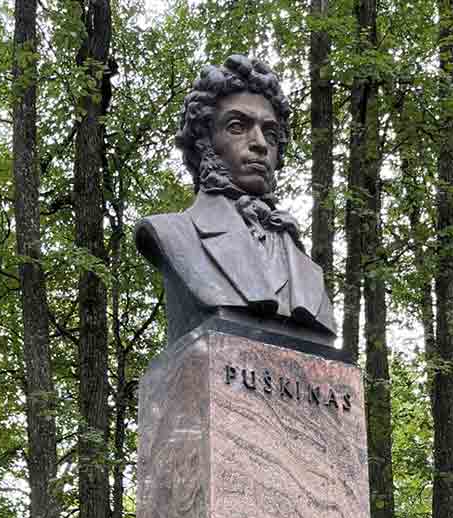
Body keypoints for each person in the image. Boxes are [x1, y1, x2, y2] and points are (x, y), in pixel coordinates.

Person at [135, 55, 336, 344]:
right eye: (237, 127)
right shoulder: (172, 234)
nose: (260, 144)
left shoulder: (303, 262)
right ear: (204, 142)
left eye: (270, 133)